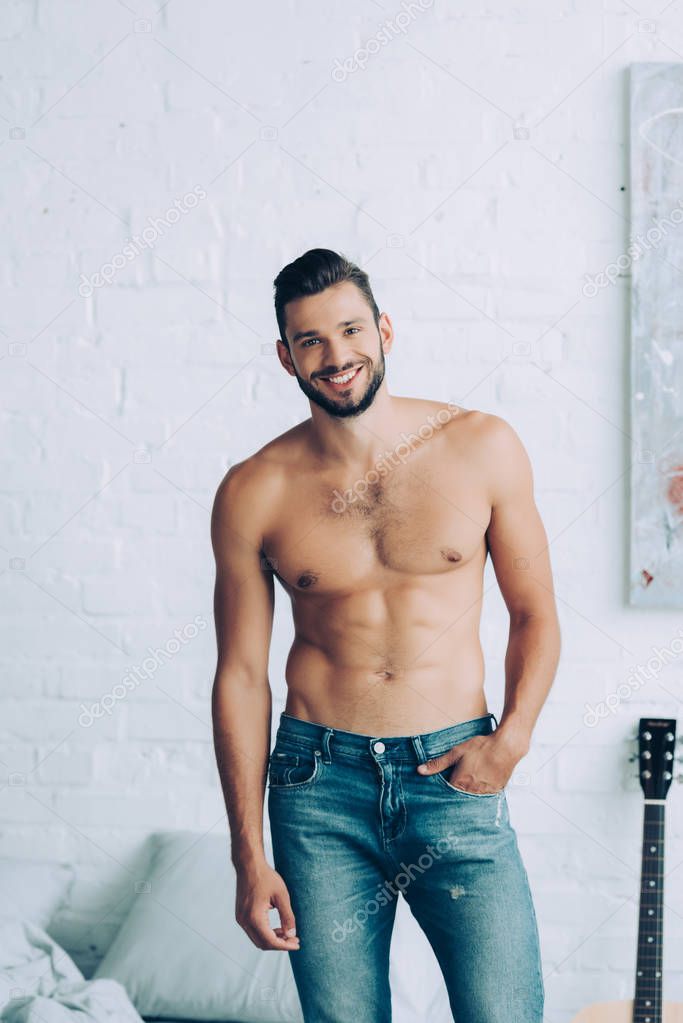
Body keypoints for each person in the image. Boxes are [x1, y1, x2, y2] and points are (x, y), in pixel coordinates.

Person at [210, 248, 561, 1022]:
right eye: (310, 341)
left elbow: (534, 611)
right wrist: (247, 854)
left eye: (349, 330)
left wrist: (511, 739)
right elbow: (239, 673)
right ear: (284, 357)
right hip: (317, 788)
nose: (336, 357)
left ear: (385, 330)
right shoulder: (252, 489)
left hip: (453, 775)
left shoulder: (481, 446)